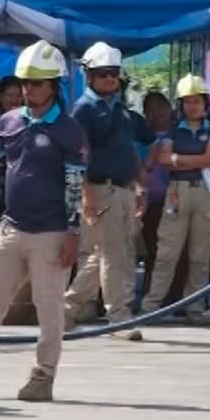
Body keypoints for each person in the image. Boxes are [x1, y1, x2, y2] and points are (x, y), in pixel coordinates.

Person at [0, 41, 86, 402]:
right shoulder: (8, 122)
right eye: (25, 82)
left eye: (37, 83)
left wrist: (73, 233)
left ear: (53, 85)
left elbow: (74, 184)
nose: (28, 89)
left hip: (51, 231)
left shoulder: (69, 130)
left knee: (49, 308)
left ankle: (43, 376)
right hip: (11, 227)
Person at [62, 42, 144, 340]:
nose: (110, 78)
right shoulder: (83, 110)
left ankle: (67, 307)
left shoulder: (120, 108)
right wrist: (87, 194)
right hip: (100, 188)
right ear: (89, 76)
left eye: (113, 73)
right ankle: (117, 318)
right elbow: (77, 155)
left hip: (122, 188)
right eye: (102, 74)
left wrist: (139, 185)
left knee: (109, 253)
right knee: (112, 255)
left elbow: (129, 149)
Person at [139, 75, 210, 323]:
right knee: (167, 252)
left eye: (196, 101)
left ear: (205, 102)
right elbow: (163, 159)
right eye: (187, 101)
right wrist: (194, 160)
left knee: (200, 255)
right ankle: (151, 306)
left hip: (206, 192)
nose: (192, 106)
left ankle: (194, 307)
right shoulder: (173, 130)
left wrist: (178, 159)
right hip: (177, 192)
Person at [133, 90, 176, 309]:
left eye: (160, 107)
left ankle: (173, 295)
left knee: (171, 250)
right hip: (148, 200)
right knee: (152, 249)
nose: (156, 113)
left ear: (169, 108)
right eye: (150, 109)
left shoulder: (178, 133)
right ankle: (149, 293)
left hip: (174, 198)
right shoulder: (142, 137)